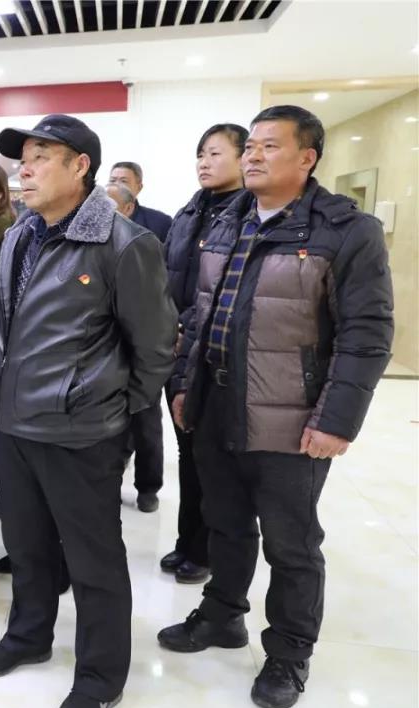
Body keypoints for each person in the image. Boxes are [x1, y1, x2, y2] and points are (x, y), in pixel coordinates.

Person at [160, 106, 394, 708]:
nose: (253, 156)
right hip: (215, 406)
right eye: (250, 147)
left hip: (290, 417)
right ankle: (222, 615)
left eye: (269, 146)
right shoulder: (226, 221)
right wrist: (185, 385)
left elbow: (366, 334)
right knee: (224, 523)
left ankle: (289, 652)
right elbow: (199, 314)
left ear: (307, 157)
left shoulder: (345, 231)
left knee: (291, 544)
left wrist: (336, 419)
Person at [0, 116, 175, 708]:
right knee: (26, 544)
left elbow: (155, 346)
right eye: (22, 159)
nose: (24, 170)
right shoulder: (19, 233)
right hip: (12, 423)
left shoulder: (124, 243)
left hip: (81, 433)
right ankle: (29, 635)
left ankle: (100, 676)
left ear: (80, 166)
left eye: (40, 157)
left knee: (94, 561)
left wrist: (109, 405)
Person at [157, 123, 248, 585]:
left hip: (212, 351)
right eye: (200, 154)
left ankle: (204, 549)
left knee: (211, 460)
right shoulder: (190, 211)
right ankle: (186, 541)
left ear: (243, 157)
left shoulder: (248, 214)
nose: (204, 163)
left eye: (215, 153)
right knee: (188, 452)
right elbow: (167, 277)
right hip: (177, 347)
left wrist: (186, 330)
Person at [107, 165, 168, 513]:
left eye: (122, 182)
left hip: (143, 342)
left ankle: (148, 487)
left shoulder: (157, 226)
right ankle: (108, 480)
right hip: (108, 348)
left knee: (146, 424)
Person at [109, 161, 173, 241]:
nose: (116, 185)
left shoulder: (161, 222)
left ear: (139, 187)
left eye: (123, 181)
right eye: (112, 181)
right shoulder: (97, 219)